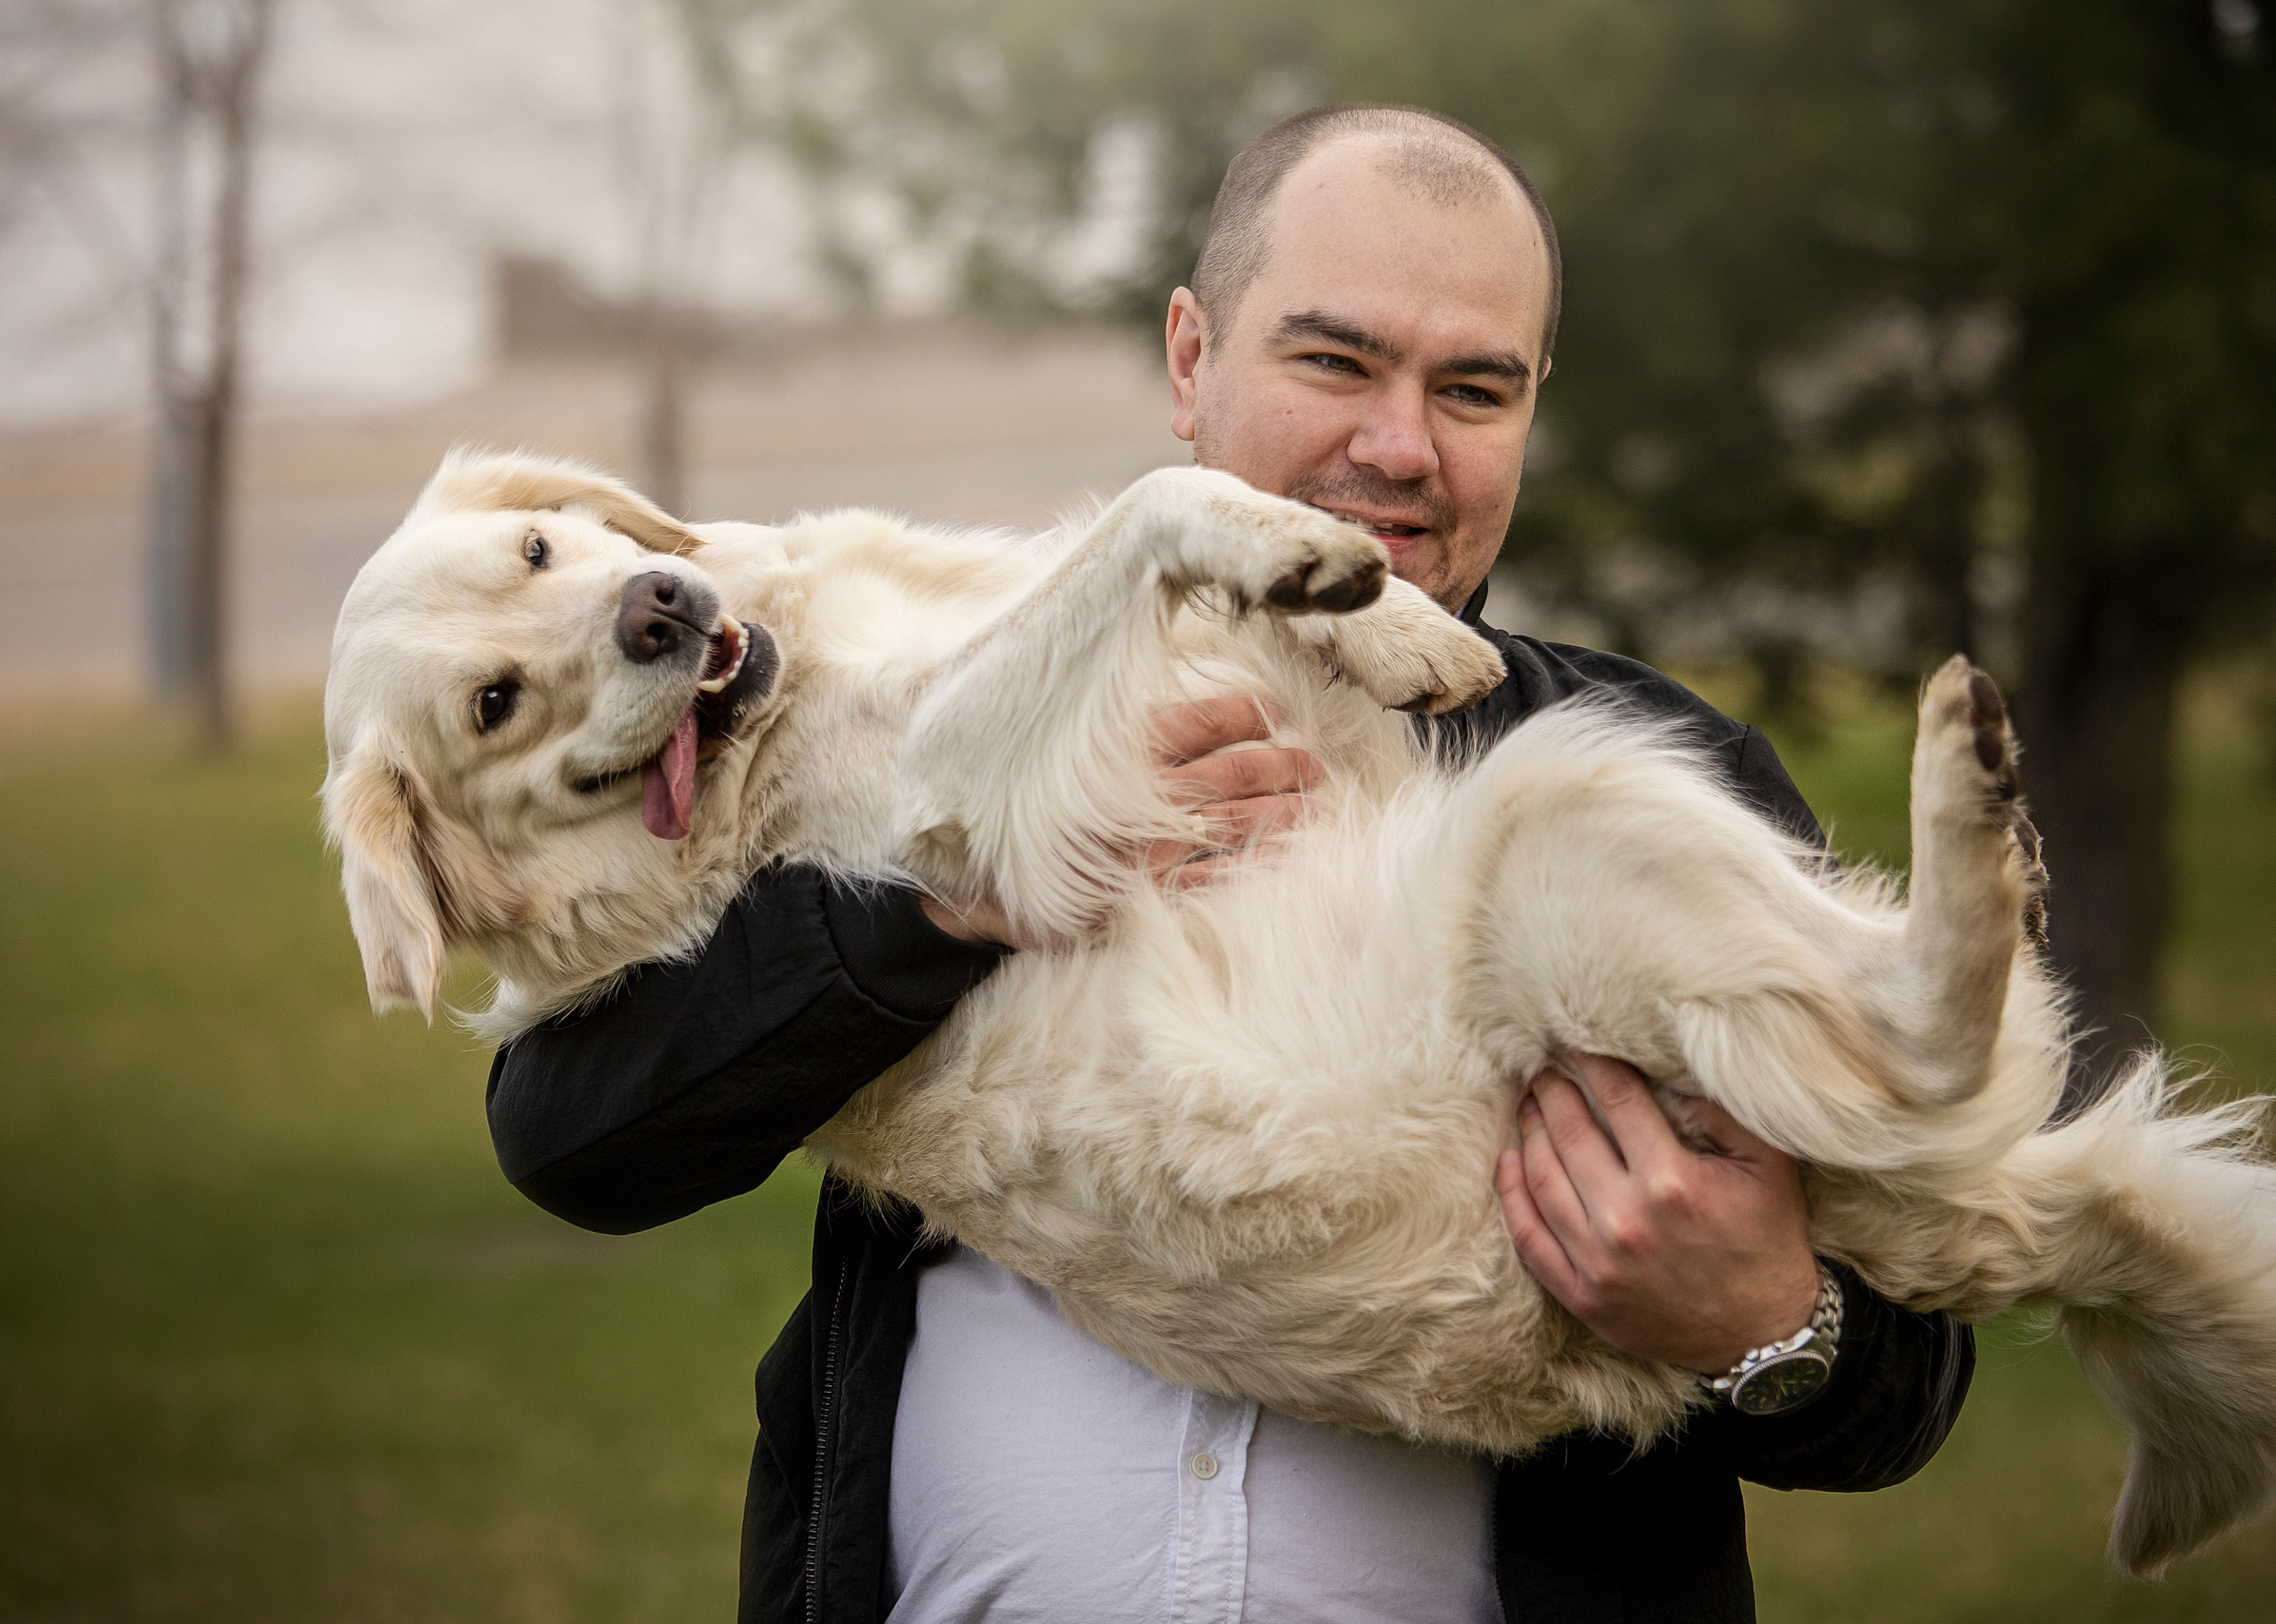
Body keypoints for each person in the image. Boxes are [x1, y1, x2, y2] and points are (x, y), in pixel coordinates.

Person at [487, 104, 1973, 1624]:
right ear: (1191, 360)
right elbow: (570, 1130)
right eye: (1334, 362)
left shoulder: (1655, 777)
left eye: (1474, 387)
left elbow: (1914, 1366)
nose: (1400, 447)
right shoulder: (920, 702)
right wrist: (949, 899)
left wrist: (1765, 1326)